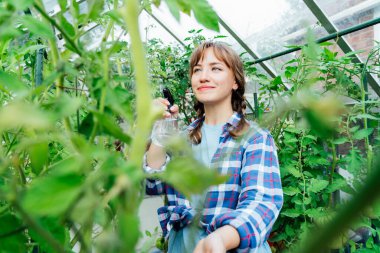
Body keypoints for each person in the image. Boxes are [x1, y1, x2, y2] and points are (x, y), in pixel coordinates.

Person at [144, 41, 283, 253]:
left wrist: (220, 239)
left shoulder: (255, 138)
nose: (203, 76)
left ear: (236, 81)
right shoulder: (183, 139)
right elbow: (152, 184)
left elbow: (262, 203)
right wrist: (160, 134)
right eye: (197, 70)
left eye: (215, 68)